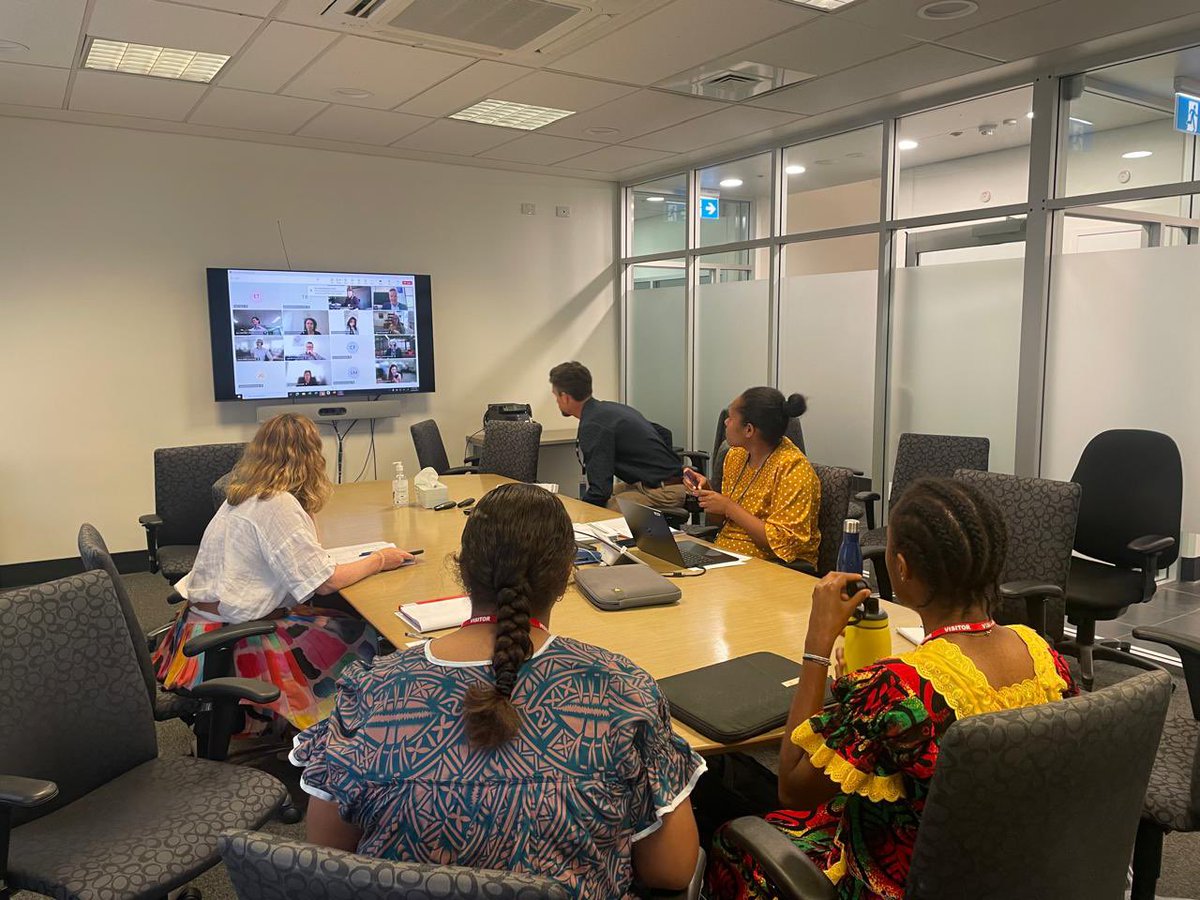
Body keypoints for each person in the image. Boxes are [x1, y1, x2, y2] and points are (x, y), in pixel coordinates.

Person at [292, 483, 704, 898]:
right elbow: (669, 872)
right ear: (566, 576)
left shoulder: (371, 690)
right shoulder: (623, 691)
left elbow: (330, 856)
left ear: (462, 569)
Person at [706, 478, 1078, 900]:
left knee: (729, 839)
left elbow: (792, 786)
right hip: (1010, 867)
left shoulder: (898, 687)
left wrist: (816, 645)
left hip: (904, 877)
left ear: (901, 569)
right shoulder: (1046, 657)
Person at [153, 414, 416, 735]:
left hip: (200, 627)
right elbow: (326, 582)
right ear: (310, 458)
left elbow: (309, 558)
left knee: (329, 614)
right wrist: (380, 559)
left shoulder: (245, 493)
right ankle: (335, 728)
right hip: (236, 635)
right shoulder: (276, 504)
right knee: (357, 633)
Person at [683, 388, 819, 566]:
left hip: (771, 565)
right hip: (726, 556)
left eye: (731, 418)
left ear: (748, 430)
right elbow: (719, 522)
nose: (725, 422)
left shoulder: (793, 469)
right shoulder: (736, 456)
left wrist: (728, 507)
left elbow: (782, 543)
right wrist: (707, 493)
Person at [550, 361, 687, 511]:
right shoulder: (611, 410)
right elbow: (664, 433)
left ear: (565, 397)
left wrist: (582, 512)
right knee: (594, 501)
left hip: (663, 491)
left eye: (556, 396)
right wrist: (661, 469)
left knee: (602, 511)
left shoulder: (593, 425)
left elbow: (600, 491)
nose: (556, 401)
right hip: (660, 483)